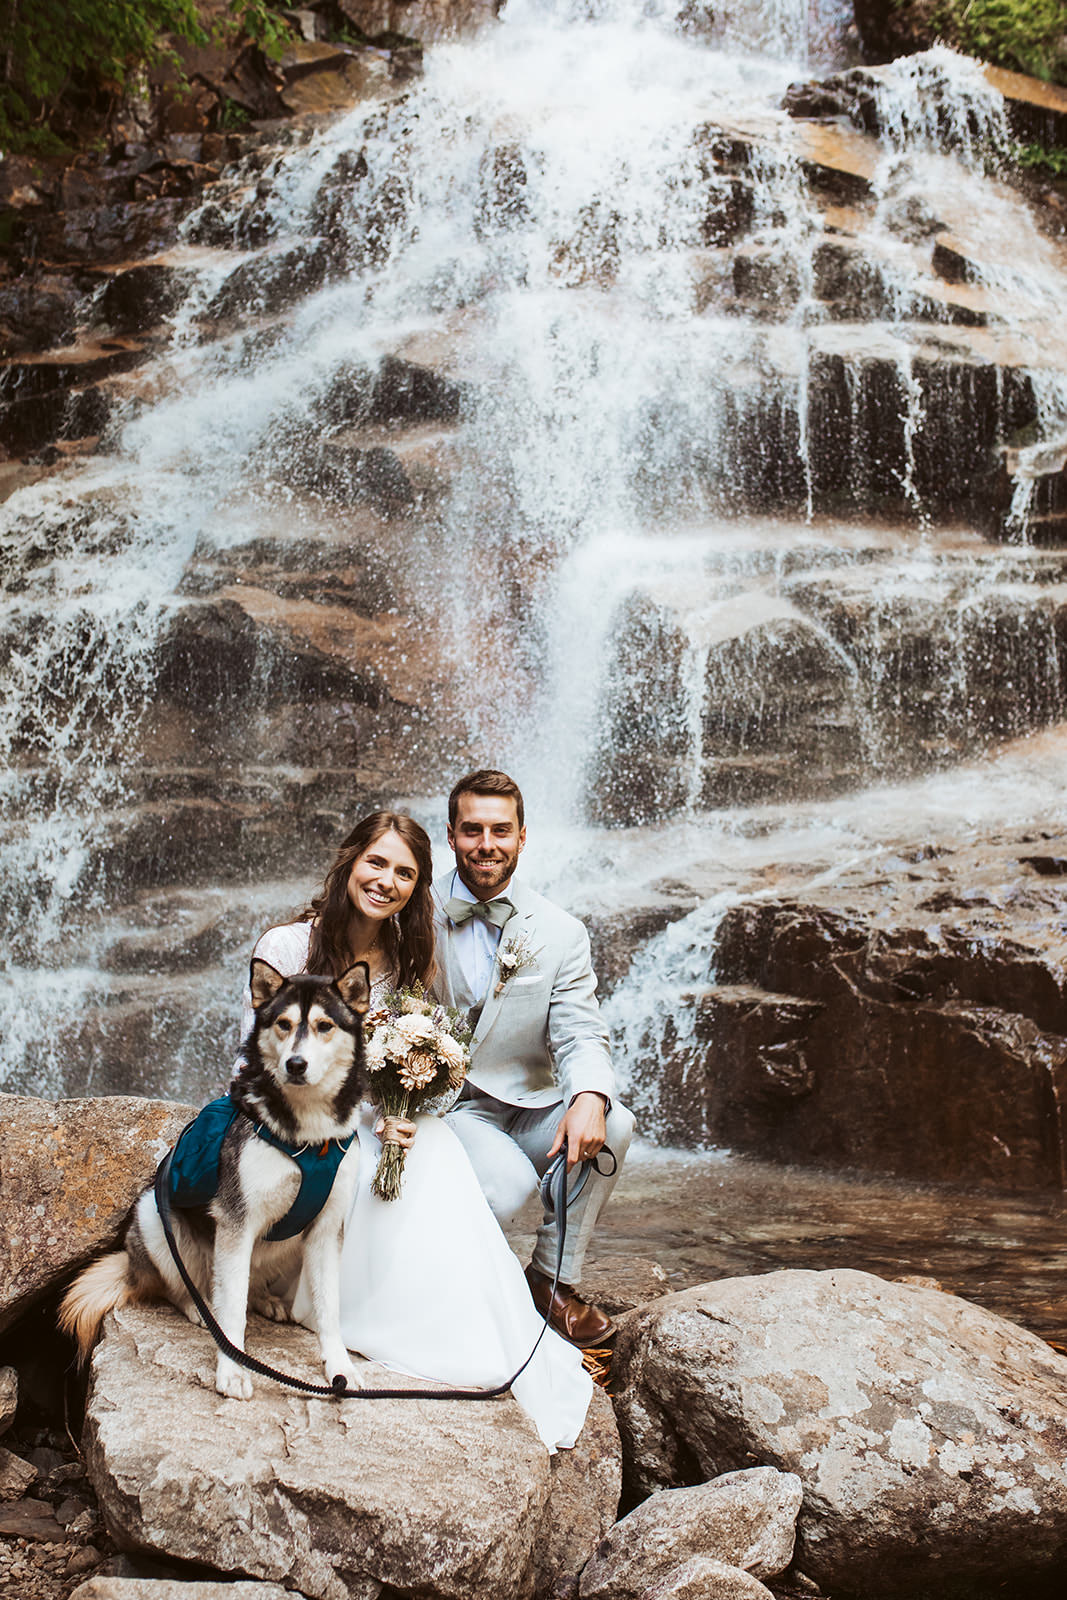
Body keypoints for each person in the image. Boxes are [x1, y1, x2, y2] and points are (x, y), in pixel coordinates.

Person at [235, 810, 592, 1452]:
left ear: (419, 886)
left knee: (435, 1152)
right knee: (370, 1164)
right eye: (377, 863)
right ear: (350, 860)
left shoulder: (408, 956)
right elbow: (257, 1061)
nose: (387, 881)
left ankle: (462, 1324)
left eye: (405, 873)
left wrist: (400, 1108)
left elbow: (404, 1061)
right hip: (298, 1124)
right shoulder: (287, 947)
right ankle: (327, 1298)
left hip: (374, 1118)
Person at [434, 771, 635, 1349]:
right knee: (509, 1186)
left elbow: (579, 1033)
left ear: (523, 837)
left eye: (501, 830)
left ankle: (550, 1282)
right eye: (473, 830)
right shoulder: (412, 913)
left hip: (524, 1102)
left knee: (615, 1120)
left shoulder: (561, 931)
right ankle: (460, 1293)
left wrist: (589, 1097)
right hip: (447, 1106)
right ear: (451, 835)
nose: (486, 845)